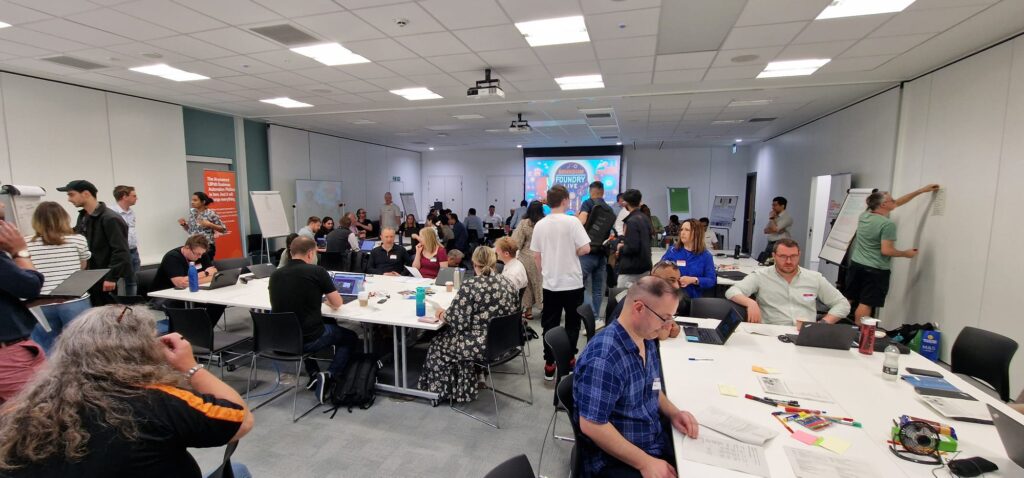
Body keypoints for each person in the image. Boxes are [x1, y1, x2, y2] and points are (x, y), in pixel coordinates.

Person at [0, 306, 255, 477]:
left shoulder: (17, 415)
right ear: (141, 350)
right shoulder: (155, 401)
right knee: (239, 470)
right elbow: (241, 420)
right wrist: (190, 367)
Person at [575, 276, 699, 478]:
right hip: (616, 459)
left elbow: (651, 386)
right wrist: (645, 463)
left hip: (649, 440)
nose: (668, 326)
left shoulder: (645, 336)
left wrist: (674, 413)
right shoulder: (604, 358)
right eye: (665, 318)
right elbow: (592, 426)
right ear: (639, 308)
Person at [418, 246, 519, 403]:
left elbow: (455, 320)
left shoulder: (471, 285)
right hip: (506, 342)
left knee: (438, 343)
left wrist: (440, 313)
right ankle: (474, 376)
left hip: (480, 345)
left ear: (473, 263)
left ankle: (441, 392)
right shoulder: (509, 283)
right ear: (494, 262)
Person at [269, 236, 360, 403]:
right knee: (350, 337)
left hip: (280, 340)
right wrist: (329, 301)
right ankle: (330, 375)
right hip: (308, 339)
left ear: (290, 252)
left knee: (321, 325)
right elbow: (338, 303)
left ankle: (313, 374)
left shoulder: (275, 275)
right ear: (311, 254)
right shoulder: (317, 271)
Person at [846, 185, 939, 324]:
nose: (894, 201)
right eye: (891, 200)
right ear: (883, 205)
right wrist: (905, 253)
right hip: (875, 270)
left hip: (856, 264)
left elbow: (897, 203)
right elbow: (886, 250)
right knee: (865, 303)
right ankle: (860, 336)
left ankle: (835, 327)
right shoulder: (887, 224)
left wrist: (920, 191)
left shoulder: (864, 215)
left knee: (849, 298)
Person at [531, 185, 591, 381]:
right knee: (572, 323)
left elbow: (536, 256)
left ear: (548, 201)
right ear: (565, 200)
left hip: (550, 283)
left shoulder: (540, 224)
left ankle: (549, 363)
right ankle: (569, 358)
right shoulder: (573, 222)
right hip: (572, 282)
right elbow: (586, 249)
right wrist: (571, 251)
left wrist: (544, 271)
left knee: (550, 324)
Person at [726, 239, 850, 325]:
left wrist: (824, 323)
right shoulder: (761, 276)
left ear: (799, 255)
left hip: (803, 334)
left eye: (793, 256)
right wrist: (751, 303)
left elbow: (842, 304)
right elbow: (732, 291)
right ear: (774, 256)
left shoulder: (814, 278)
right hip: (771, 333)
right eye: (783, 257)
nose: (789, 261)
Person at [23, 202, 91, 354]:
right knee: (81, 348)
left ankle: (52, 378)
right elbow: (83, 266)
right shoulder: (78, 239)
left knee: (46, 349)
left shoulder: (25, 243)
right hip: (73, 300)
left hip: (40, 303)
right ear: (64, 218)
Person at [0, 202, 46, 405]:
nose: (3, 203)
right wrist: (20, 252)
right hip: (9, 358)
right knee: (38, 415)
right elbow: (29, 286)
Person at [59, 180, 131, 305]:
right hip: (89, 277)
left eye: (71, 194)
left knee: (107, 316)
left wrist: (111, 278)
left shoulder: (110, 218)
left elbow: (121, 250)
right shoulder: (83, 217)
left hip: (104, 278)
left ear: (86, 194)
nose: (69, 199)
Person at [151, 235, 227, 327]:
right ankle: (194, 331)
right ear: (187, 248)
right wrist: (205, 274)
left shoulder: (201, 253)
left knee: (219, 303)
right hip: (166, 296)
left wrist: (191, 280)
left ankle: (204, 329)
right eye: (197, 254)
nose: (199, 257)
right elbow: (180, 283)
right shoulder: (172, 257)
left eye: (201, 254)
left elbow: (214, 273)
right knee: (185, 306)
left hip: (191, 291)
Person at [606, 262, 689, 340]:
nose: (677, 286)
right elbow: (661, 334)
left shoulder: (653, 297)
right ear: (654, 279)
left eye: (678, 280)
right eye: (671, 280)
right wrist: (668, 327)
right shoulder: (645, 300)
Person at [577, 181, 614, 317]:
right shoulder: (609, 209)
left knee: (580, 286)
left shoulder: (588, 203)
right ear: (603, 192)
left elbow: (581, 221)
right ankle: (597, 317)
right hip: (602, 253)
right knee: (598, 289)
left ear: (590, 191)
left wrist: (575, 217)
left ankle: (590, 317)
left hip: (587, 252)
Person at [659, 218, 717, 298]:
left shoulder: (706, 256)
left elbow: (711, 281)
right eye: (681, 229)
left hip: (693, 300)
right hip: (672, 296)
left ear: (697, 233)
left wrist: (693, 280)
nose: (682, 232)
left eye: (687, 230)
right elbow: (660, 269)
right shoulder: (673, 250)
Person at [512, 201, 545, 321]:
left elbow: (516, 242)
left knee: (527, 285)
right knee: (541, 283)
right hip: (543, 257)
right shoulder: (545, 223)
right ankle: (544, 307)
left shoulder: (524, 223)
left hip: (526, 257)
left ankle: (528, 312)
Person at [616, 189, 652, 288]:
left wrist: (621, 247)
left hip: (631, 269)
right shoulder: (645, 218)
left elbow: (632, 247)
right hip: (645, 266)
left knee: (623, 298)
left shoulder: (631, 221)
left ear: (625, 203)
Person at [177, 191, 226, 260]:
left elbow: (223, 229)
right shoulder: (192, 212)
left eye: (195, 200)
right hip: (192, 247)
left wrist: (210, 224)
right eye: (192, 200)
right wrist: (184, 224)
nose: (192, 202)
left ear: (203, 202)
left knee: (206, 268)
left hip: (206, 247)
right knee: (193, 268)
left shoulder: (211, 213)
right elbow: (190, 230)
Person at [110, 185, 140, 296]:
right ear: (124, 196)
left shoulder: (131, 212)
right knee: (117, 282)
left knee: (134, 281)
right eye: (134, 196)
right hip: (120, 252)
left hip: (133, 250)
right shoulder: (112, 213)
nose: (137, 198)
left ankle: (133, 305)